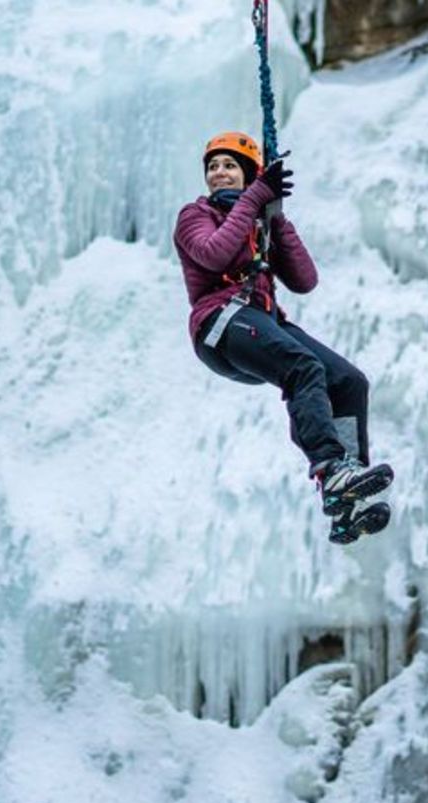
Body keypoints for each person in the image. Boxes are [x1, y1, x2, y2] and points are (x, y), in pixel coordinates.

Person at [173, 131, 393, 543]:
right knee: (302, 366)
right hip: (219, 321)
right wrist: (256, 198)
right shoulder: (194, 215)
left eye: (229, 166)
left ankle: (347, 496)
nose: (218, 173)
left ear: (248, 173)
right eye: (213, 167)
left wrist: (275, 218)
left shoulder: (260, 221)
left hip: (261, 318)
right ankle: (331, 469)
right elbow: (213, 254)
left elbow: (304, 280)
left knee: (348, 381)